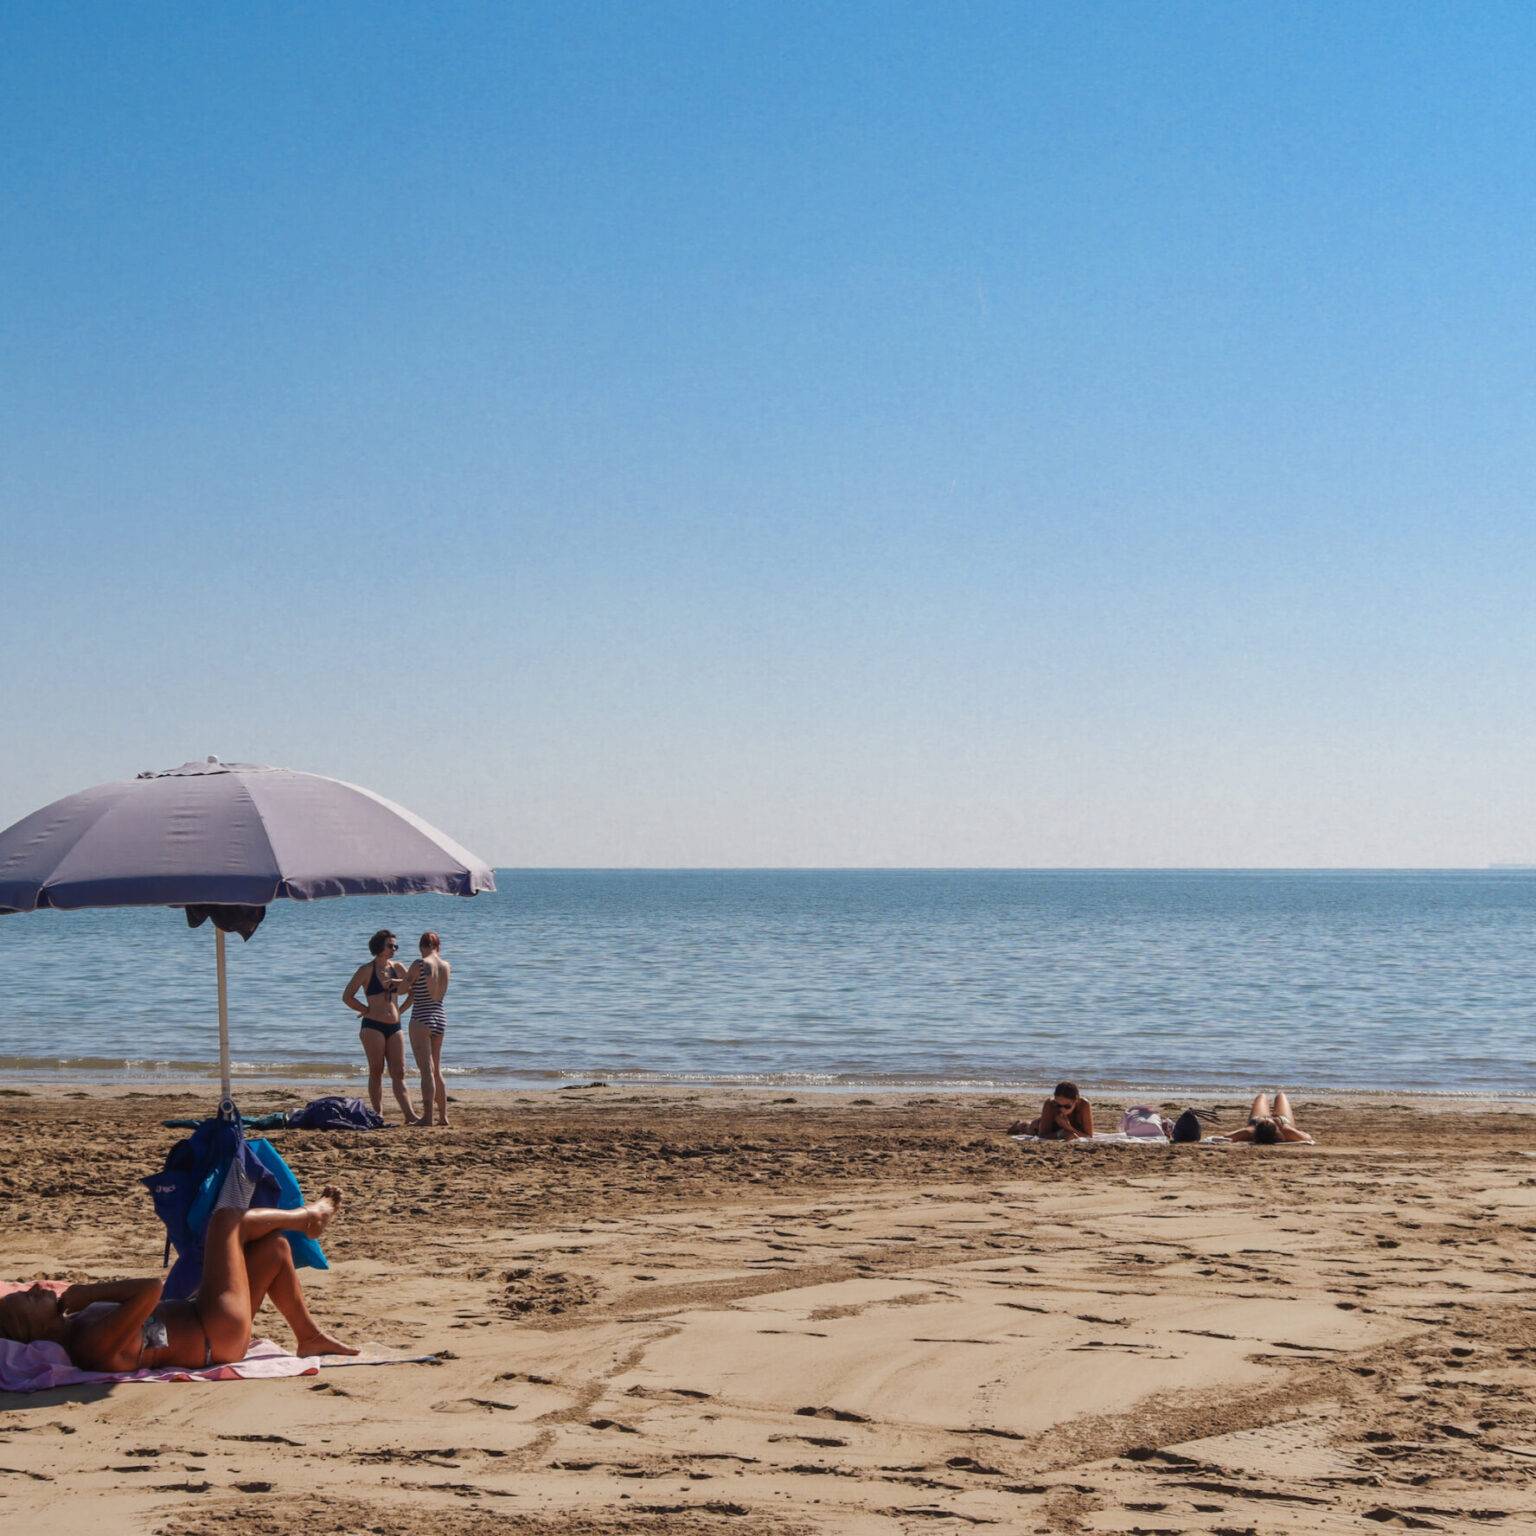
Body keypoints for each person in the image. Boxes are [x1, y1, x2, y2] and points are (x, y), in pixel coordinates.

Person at [0, 1190, 356, 1369]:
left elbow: (153, 1324)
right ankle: (310, 1218)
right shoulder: (88, 1344)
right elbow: (151, 1291)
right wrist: (90, 1291)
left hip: (204, 1319)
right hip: (215, 1332)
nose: (35, 1287)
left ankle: (308, 1337)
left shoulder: (79, 1325)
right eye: (30, 1299)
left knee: (274, 1249)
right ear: (34, 1331)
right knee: (227, 1221)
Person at [343, 929, 418, 1125]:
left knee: (399, 1072)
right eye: (390, 946)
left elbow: (414, 990)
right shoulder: (366, 970)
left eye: (395, 946)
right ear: (379, 947)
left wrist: (400, 1010)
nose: (394, 949)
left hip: (395, 1027)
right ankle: (378, 1114)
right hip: (372, 1026)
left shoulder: (398, 968)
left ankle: (409, 1115)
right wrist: (365, 1009)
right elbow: (347, 996)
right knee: (376, 1070)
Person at [406, 931, 452, 1128]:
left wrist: (396, 981)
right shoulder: (446, 966)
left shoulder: (420, 964)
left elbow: (402, 989)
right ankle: (443, 1117)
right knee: (437, 1070)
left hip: (421, 1017)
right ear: (438, 946)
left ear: (421, 946)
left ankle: (427, 1117)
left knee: (426, 1070)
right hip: (440, 1015)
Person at [1223, 1090, 1315, 1145]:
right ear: (1277, 1130)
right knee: (1281, 1095)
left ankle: (1262, 1115)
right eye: (1269, 1121)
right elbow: (1307, 1138)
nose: (1268, 1118)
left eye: (1265, 1120)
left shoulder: (1249, 1132)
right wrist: (1285, 1126)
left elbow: (1226, 1136)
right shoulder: (1286, 1132)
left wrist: (1247, 1129)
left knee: (1262, 1096)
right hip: (1283, 1120)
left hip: (1256, 1122)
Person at [1008, 1081, 1094, 1139]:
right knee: (1030, 1129)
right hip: (1044, 1126)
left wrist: (1068, 1128)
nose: (1062, 1109)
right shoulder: (1050, 1104)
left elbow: (1089, 1136)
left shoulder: (1084, 1105)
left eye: (1067, 1106)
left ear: (1076, 1101)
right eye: (1058, 1105)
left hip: (1070, 1127)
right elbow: (1042, 1136)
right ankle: (1019, 1125)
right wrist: (1061, 1133)